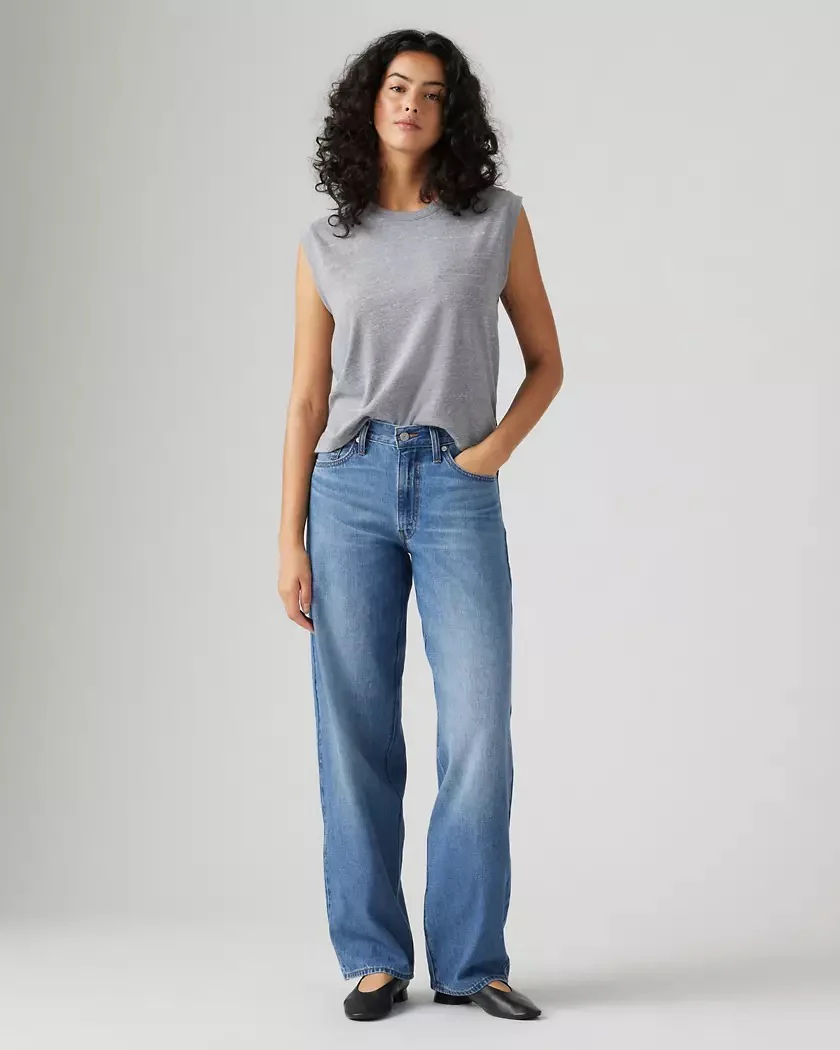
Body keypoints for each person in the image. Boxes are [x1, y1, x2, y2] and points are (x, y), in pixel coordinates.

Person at [278, 28, 563, 1022]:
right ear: (370, 103)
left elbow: (547, 362)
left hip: (454, 487)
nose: (411, 103)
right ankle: (373, 956)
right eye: (397, 86)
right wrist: (287, 538)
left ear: (451, 115)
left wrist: (491, 452)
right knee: (354, 730)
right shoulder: (327, 243)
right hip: (348, 491)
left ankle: (472, 960)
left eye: (432, 93)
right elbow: (307, 401)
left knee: (478, 727)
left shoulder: (494, 221)